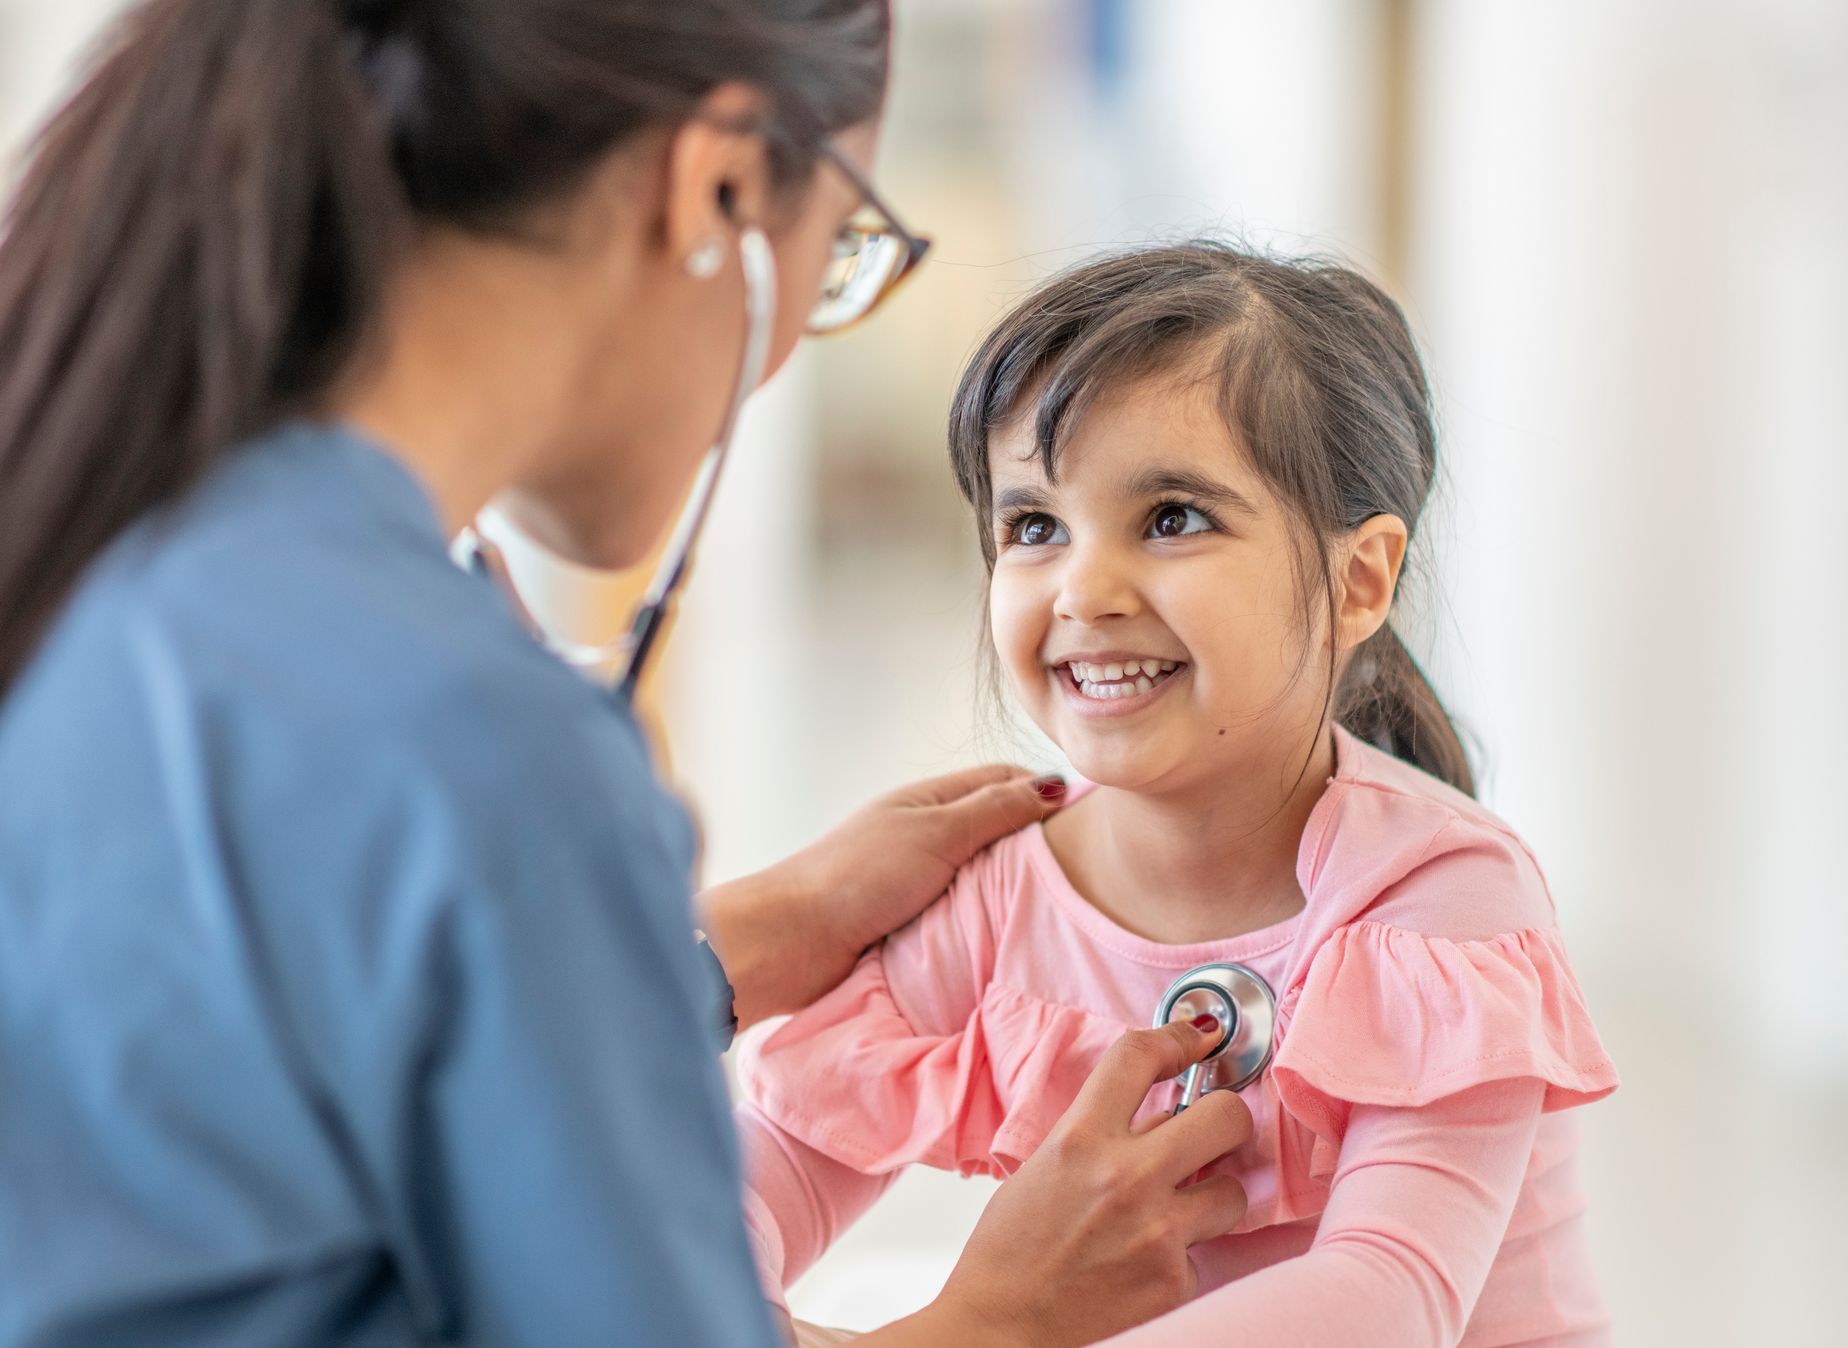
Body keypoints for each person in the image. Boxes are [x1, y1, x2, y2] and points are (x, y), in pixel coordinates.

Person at [0, 3, 1257, 1345]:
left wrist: (712, 951)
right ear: (714, 182)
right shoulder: (472, 738)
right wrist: (996, 1319)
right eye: (836, 260)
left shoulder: (108, 558)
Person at [736, 244, 1622, 1345]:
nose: (1084, 590)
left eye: (1170, 517)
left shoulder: (1442, 893)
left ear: (1358, 580)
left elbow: (1384, 1299)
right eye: (1034, 525)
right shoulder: (992, 895)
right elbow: (723, 1200)